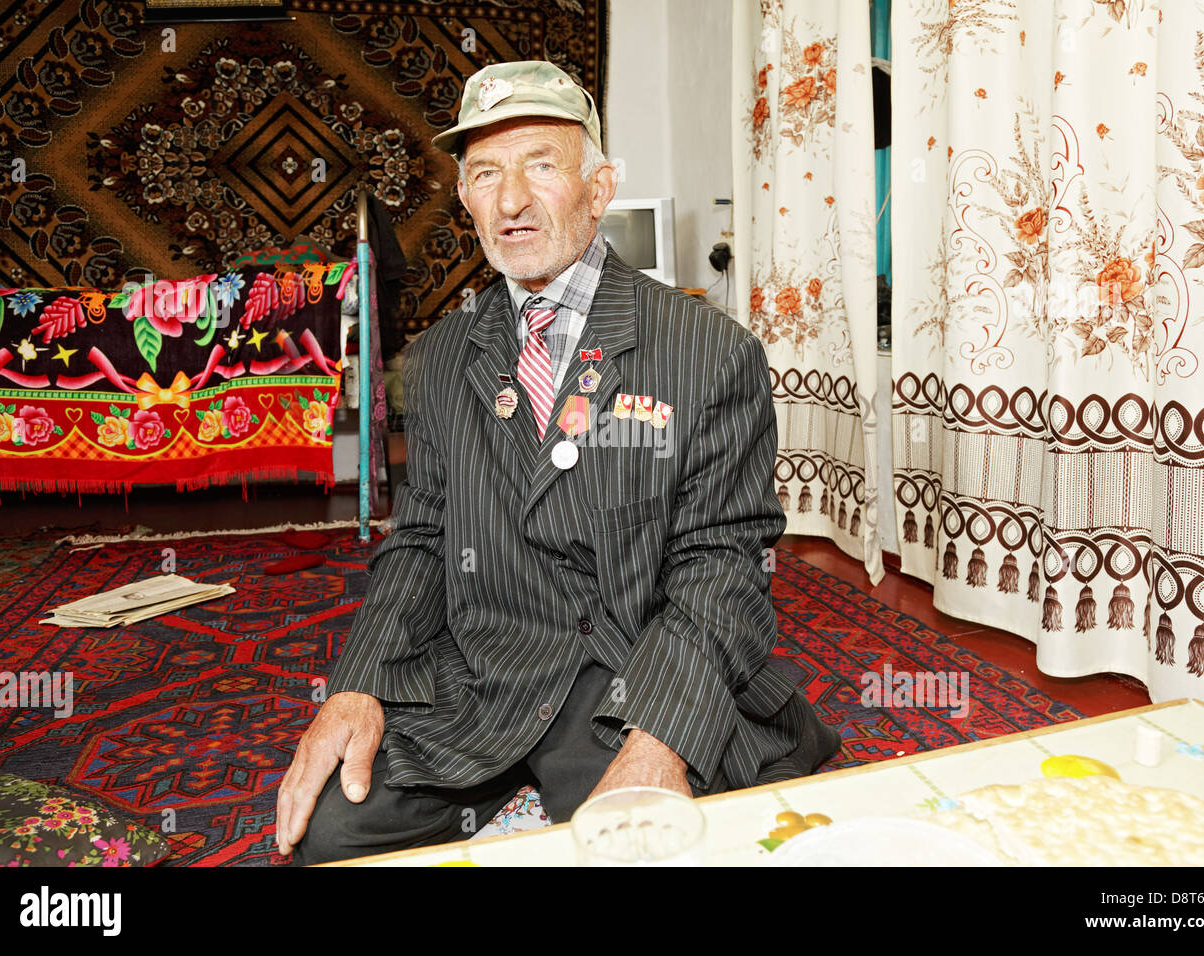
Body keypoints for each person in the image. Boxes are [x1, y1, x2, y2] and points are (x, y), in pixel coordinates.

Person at [276, 60, 839, 864]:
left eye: (541, 164)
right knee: (329, 838)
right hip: (487, 672)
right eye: (485, 174)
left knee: (630, 850)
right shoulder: (438, 361)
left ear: (598, 187)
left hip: (634, 671)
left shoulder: (710, 353)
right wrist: (357, 685)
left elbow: (722, 565)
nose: (511, 201)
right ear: (465, 198)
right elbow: (423, 541)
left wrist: (661, 742)